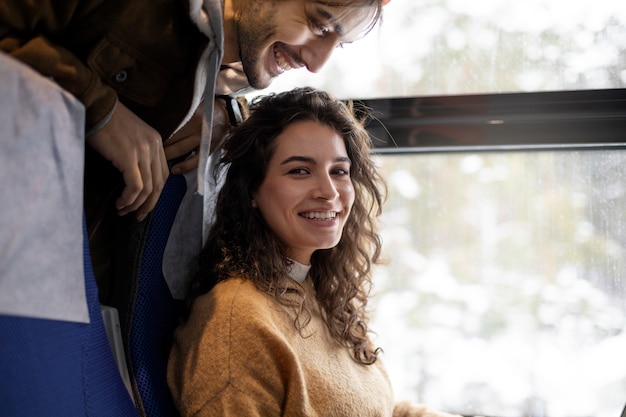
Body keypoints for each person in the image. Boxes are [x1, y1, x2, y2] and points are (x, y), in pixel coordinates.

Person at [0, 0, 387, 298]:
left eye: (340, 42)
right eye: (319, 24)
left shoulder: (234, 76)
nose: (317, 62)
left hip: (68, 281)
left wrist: (227, 112)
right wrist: (99, 108)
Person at [167, 87, 460, 417]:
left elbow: (371, 408)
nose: (329, 191)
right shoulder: (237, 323)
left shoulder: (321, 292)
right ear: (251, 190)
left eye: (338, 171)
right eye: (299, 171)